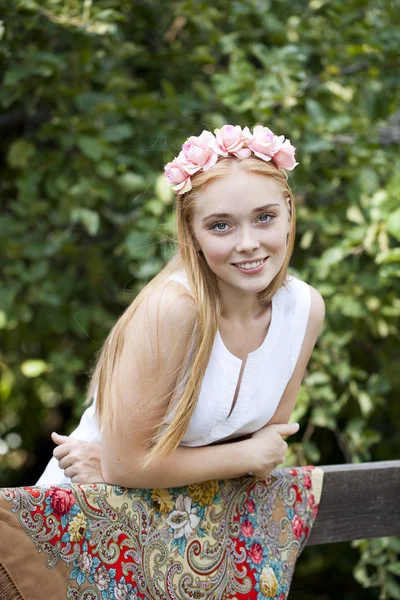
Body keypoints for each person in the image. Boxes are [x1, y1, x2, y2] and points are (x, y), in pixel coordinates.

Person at [36, 124, 325, 489]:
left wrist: (135, 468)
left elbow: (264, 451)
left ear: (288, 212)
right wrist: (127, 468)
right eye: (221, 226)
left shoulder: (303, 310)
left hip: (184, 526)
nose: (248, 243)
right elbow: (130, 467)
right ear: (192, 235)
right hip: (87, 515)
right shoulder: (174, 308)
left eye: (264, 217)